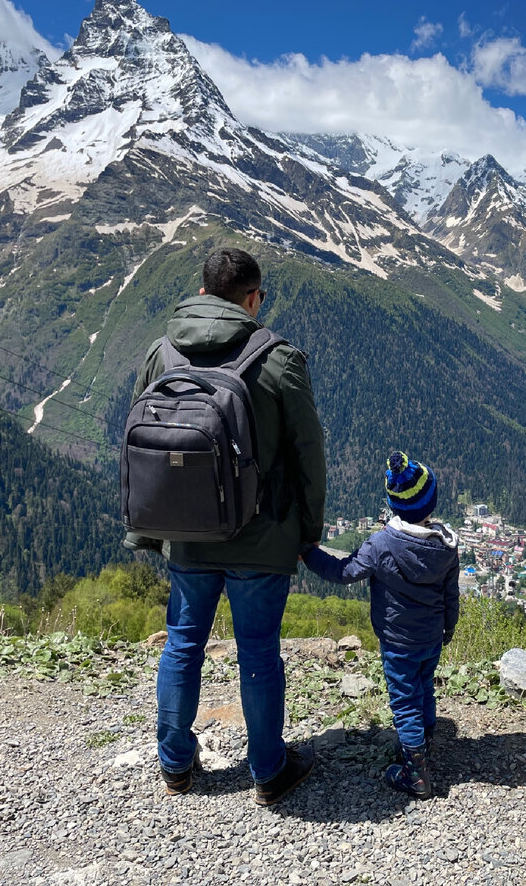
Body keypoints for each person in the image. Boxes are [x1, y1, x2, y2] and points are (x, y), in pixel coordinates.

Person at [127, 247, 326, 805]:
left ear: (204, 292)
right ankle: (268, 770)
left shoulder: (160, 352)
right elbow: (308, 453)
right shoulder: (278, 358)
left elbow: (145, 444)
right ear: (253, 298)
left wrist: (150, 529)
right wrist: (308, 528)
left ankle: (175, 765)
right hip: (262, 537)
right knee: (258, 651)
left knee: (183, 645)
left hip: (186, 532)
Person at [300, 450, 459, 799]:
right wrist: (449, 628)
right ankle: (425, 740)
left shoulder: (381, 544)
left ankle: (416, 772)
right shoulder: (447, 547)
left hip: (398, 639)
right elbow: (451, 596)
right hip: (432, 636)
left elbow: (345, 572)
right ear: (432, 500)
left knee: (403, 699)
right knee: (423, 686)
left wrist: (310, 554)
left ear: (392, 504)